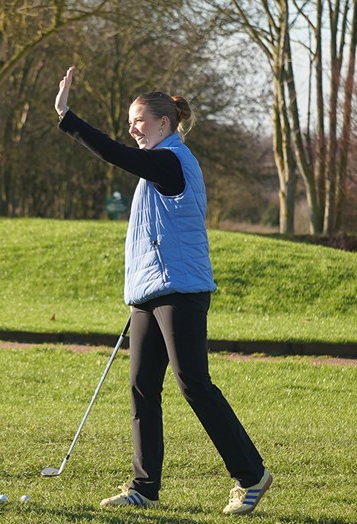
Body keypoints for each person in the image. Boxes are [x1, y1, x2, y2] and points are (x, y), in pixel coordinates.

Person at [54, 66, 272, 515]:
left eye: (139, 121)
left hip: (181, 292)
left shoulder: (172, 161)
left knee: (193, 383)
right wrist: (138, 289)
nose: (132, 129)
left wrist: (68, 117)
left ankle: (252, 476)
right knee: (141, 388)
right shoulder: (156, 165)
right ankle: (144, 486)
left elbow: (118, 155)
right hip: (150, 294)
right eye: (131, 121)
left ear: (164, 124)